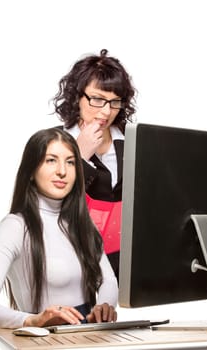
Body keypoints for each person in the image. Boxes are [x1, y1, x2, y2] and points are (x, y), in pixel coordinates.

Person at [0, 128, 118, 329]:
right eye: (51, 160)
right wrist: (33, 320)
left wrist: (104, 306)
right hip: (43, 341)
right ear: (31, 171)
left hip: (88, 338)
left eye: (70, 162)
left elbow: (108, 280)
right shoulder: (15, 227)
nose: (62, 171)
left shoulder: (83, 222)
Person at [52, 49, 137, 280]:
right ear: (77, 96)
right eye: (97, 99)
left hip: (124, 269)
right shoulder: (51, 142)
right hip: (70, 268)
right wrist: (79, 156)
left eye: (115, 102)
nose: (107, 111)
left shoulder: (133, 144)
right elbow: (46, 206)